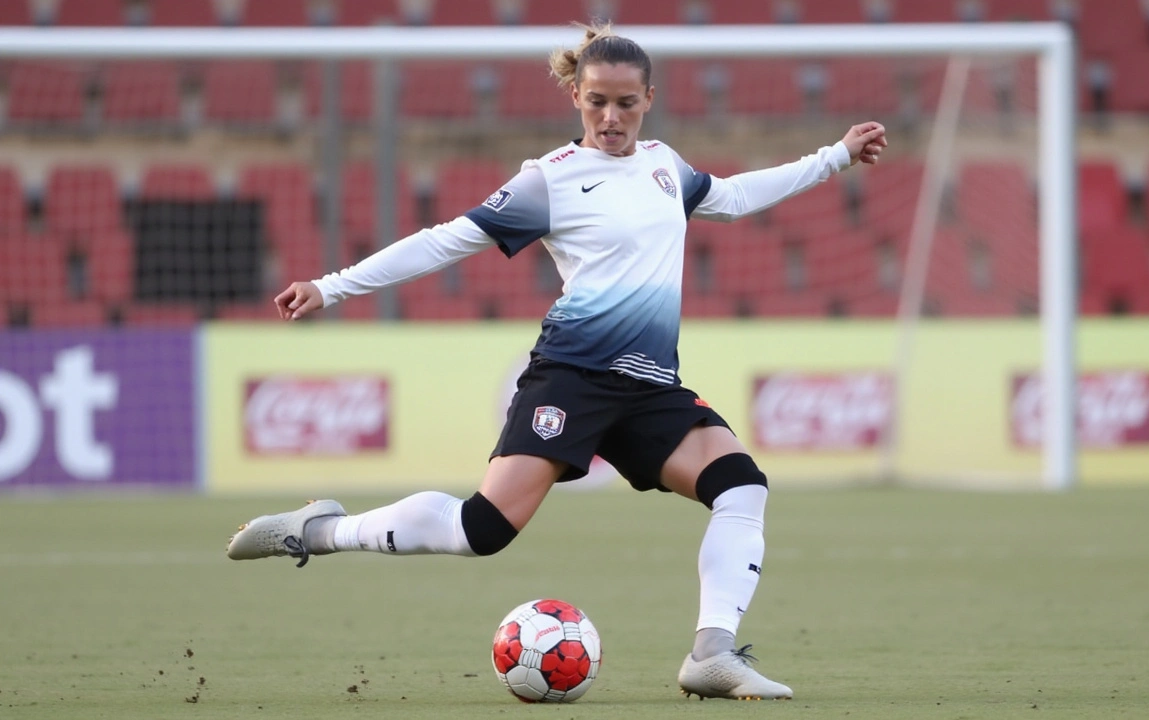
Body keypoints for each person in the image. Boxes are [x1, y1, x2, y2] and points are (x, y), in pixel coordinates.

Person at [227, 21, 887, 701]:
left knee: (742, 486)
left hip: (651, 386)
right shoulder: (550, 181)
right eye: (597, 101)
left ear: (649, 98)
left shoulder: (667, 167)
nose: (610, 118)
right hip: (572, 379)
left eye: (625, 103)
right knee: (480, 530)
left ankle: (711, 655)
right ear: (575, 95)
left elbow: (737, 197)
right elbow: (443, 241)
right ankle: (322, 529)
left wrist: (834, 156)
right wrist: (332, 286)